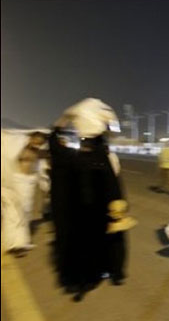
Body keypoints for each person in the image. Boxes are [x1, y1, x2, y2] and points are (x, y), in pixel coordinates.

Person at [49, 98, 136, 301]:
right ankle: (109, 272)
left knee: (79, 244)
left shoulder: (70, 160)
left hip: (77, 215)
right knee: (104, 242)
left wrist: (57, 129)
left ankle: (80, 281)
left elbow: (54, 145)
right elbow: (115, 192)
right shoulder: (104, 161)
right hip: (98, 214)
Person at [1, 130, 48, 256]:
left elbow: (40, 169)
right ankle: (14, 244)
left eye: (40, 143)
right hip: (16, 182)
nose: (38, 144)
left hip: (27, 183)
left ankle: (19, 242)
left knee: (24, 213)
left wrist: (43, 185)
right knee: (15, 214)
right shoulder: (17, 146)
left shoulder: (37, 153)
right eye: (37, 141)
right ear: (31, 138)